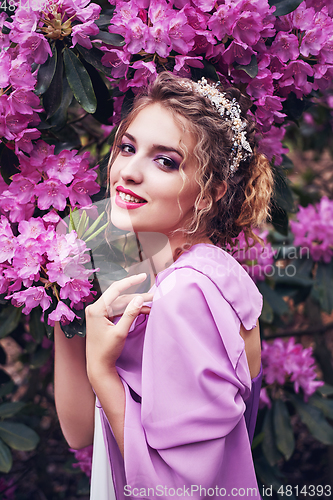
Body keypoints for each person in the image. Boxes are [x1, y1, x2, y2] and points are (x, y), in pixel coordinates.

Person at [54, 72, 273, 500]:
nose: (129, 172)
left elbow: (180, 492)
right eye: (128, 148)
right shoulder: (187, 272)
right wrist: (63, 301)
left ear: (209, 194)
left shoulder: (186, 296)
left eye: (166, 161)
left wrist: (101, 367)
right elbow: (81, 431)